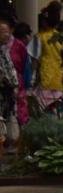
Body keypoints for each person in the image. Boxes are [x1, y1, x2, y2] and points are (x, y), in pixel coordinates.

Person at [0, 19, 22, 152]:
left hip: (7, 94)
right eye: (2, 32)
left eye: (7, 31)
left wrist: (15, 85)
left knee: (8, 123)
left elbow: (11, 70)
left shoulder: (4, 51)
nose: (6, 34)